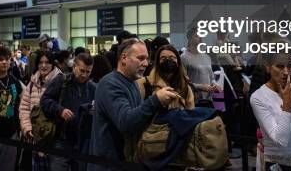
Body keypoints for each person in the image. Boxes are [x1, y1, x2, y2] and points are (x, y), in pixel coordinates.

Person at [88, 39, 177, 171]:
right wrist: (155, 100)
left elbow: (138, 120)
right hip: (108, 165)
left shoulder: (132, 83)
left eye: (146, 58)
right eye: (140, 58)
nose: (146, 63)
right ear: (124, 58)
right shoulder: (110, 84)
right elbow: (126, 122)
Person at [41, 53, 96, 171]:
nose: (84, 75)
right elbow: (45, 101)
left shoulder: (93, 88)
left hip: (82, 143)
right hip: (61, 139)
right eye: (82, 70)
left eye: (88, 72)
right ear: (74, 66)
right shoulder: (62, 80)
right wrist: (60, 110)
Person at [19, 50, 61, 170]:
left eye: (47, 62)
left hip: (54, 140)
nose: (44, 65)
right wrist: (27, 128)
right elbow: (24, 108)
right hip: (35, 137)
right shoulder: (32, 84)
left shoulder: (60, 82)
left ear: (52, 64)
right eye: (41, 62)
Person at [137, 45, 195, 109]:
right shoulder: (144, 83)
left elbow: (190, 113)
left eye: (172, 57)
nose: (167, 60)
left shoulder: (185, 87)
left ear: (178, 62)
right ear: (158, 62)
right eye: (163, 58)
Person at [181, 28, 221, 103]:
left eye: (201, 36)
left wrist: (215, 85)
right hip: (193, 100)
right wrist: (200, 87)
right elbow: (183, 82)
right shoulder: (184, 57)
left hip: (208, 100)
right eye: (196, 36)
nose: (200, 38)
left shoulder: (206, 56)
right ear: (189, 39)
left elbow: (212, 78)